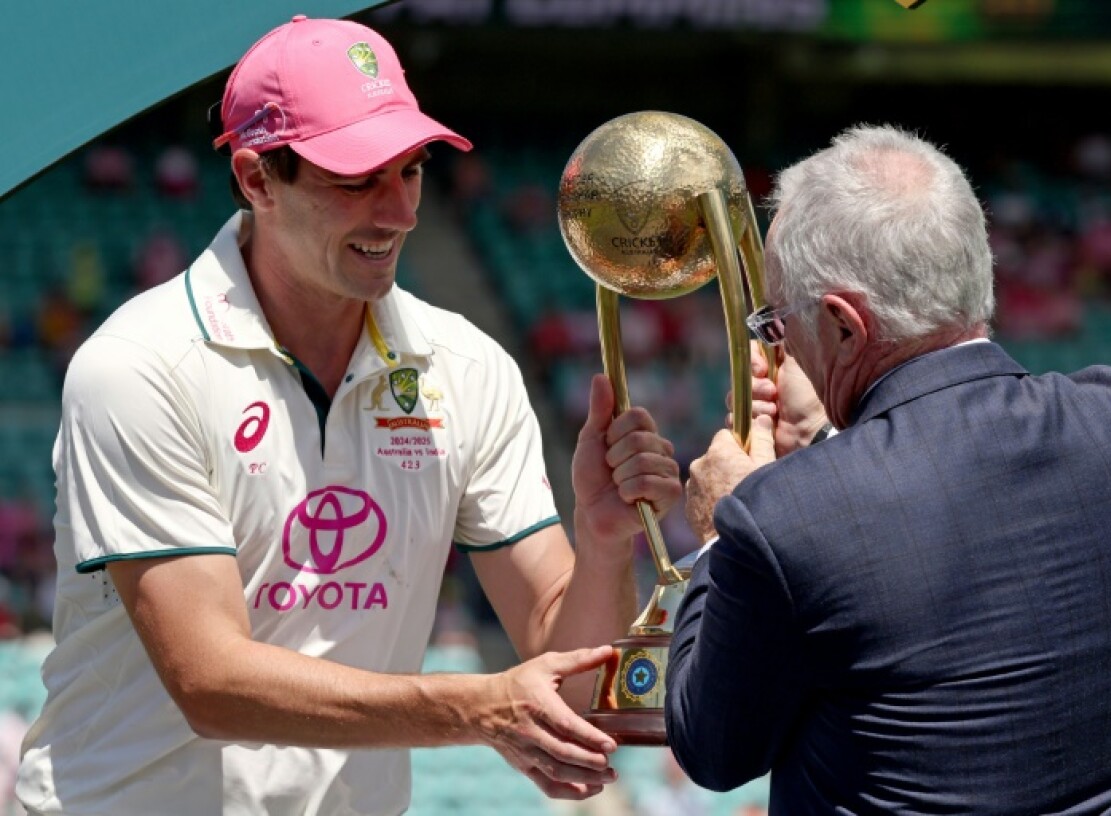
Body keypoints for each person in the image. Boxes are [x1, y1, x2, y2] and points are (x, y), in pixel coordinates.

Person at [17, 16, 681, 816]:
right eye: (356, 177)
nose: (398, 211)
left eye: (411, 169)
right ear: (258, 179)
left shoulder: (468, 368)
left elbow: (570, 673)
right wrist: (477, 708)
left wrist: (605, 542)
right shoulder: (139, 365)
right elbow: (212, 682)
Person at [665, 125, 1111, 814]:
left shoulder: (779, 516)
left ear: (846, 325)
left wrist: (717, 532)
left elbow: (713, 748)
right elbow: (942, 526)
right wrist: (826, 439)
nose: (778, 345)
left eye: (776, 322)